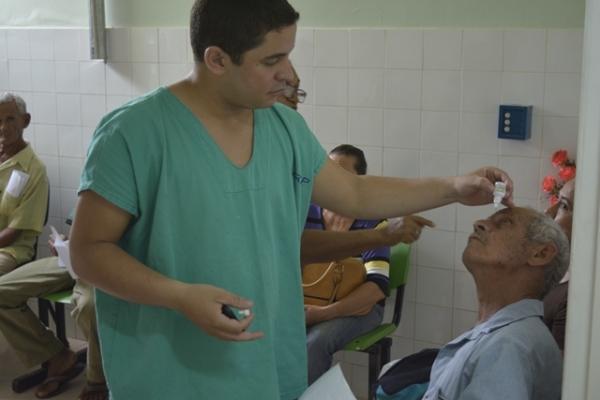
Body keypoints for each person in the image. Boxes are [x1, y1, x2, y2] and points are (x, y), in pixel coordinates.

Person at [69, 1, 514, 399]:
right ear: (217, 59)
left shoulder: (283, 127)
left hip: (268, 363)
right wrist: (178, 295)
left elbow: (355, 192)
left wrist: (453, 189)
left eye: (288, 53)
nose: (288, 73)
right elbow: (88, 252)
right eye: (272, 59)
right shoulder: (135, 134)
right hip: (172, 372)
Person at [304, 144, 433, 384]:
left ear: (359, 183)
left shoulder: (372, 223)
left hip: (358, 308)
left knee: (315, 342)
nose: (333, 181)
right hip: (308, 302)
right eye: (328, 172)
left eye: (343, 175)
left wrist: (321, 314)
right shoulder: (305, 212)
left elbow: (376, 288)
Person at [422, 207, 569, 400]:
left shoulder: (511, 345)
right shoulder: (502, 335)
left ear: (540, 254)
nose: (479, 223)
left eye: (504, 222)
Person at [0, 225, 107, 400]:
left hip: (104, 261)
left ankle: (98, 379)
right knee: (2, 292)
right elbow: (78, 225)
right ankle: (57, 357)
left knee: (89, 306)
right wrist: (64, 242)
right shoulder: (87, 197)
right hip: (71, 259)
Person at [0, 92, 48, 275]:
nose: (3, 127)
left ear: (25, 121)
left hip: (10, 251)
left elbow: (15, 232)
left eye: (10, 119)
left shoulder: (34, 170)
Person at [543, 178, 575, 352]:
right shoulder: (558, 273)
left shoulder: (575, 300)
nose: (548, 212)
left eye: (563, 205)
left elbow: (554, 376)